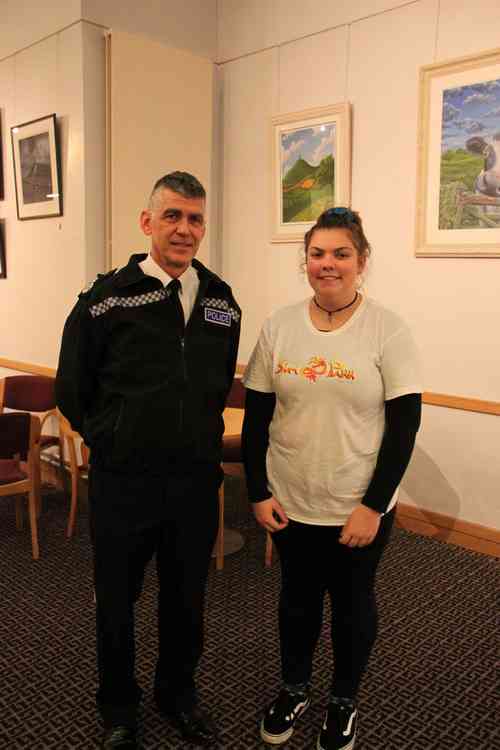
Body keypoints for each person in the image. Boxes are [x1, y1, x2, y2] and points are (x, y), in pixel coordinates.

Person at [56, 171, 241, 749]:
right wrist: (112, 437)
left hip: (191, 485)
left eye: (194, 219)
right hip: (124, 484)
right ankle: (118, 710)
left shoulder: (221, 300)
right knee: (117, 601)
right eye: (172, 217)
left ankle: (177, 695)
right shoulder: (105, 299)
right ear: (147, 222)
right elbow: (71, 388)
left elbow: (215, 386)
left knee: (186, 600)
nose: (184, 229)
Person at [241, 207, 421, 750]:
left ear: (361, 261)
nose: (328, 264)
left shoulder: (388, 329)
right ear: (306, 262)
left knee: (351, 603)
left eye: (341, 253)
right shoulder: (279, 326)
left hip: (356, 504)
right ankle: (294, 688)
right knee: (296, 600)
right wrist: (256, 490)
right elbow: (256, 419)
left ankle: (343, 700)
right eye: (317, 254)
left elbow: (404, 428)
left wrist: (374, 504)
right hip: (291, 499)